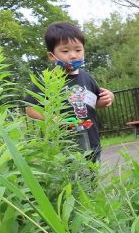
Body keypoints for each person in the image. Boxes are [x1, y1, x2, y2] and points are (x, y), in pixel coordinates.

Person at [25, 22, 115, 162]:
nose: (73, 55)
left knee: (90, 181)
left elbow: (97, 102)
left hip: (91, 143)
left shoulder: (87, 78)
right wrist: (53, 119)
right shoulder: (47, 80)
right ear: (51, 55)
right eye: (65, 51)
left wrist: (109, 97)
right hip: (61, 148)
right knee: (69, 181)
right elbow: (30, 109)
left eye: (78, 50)